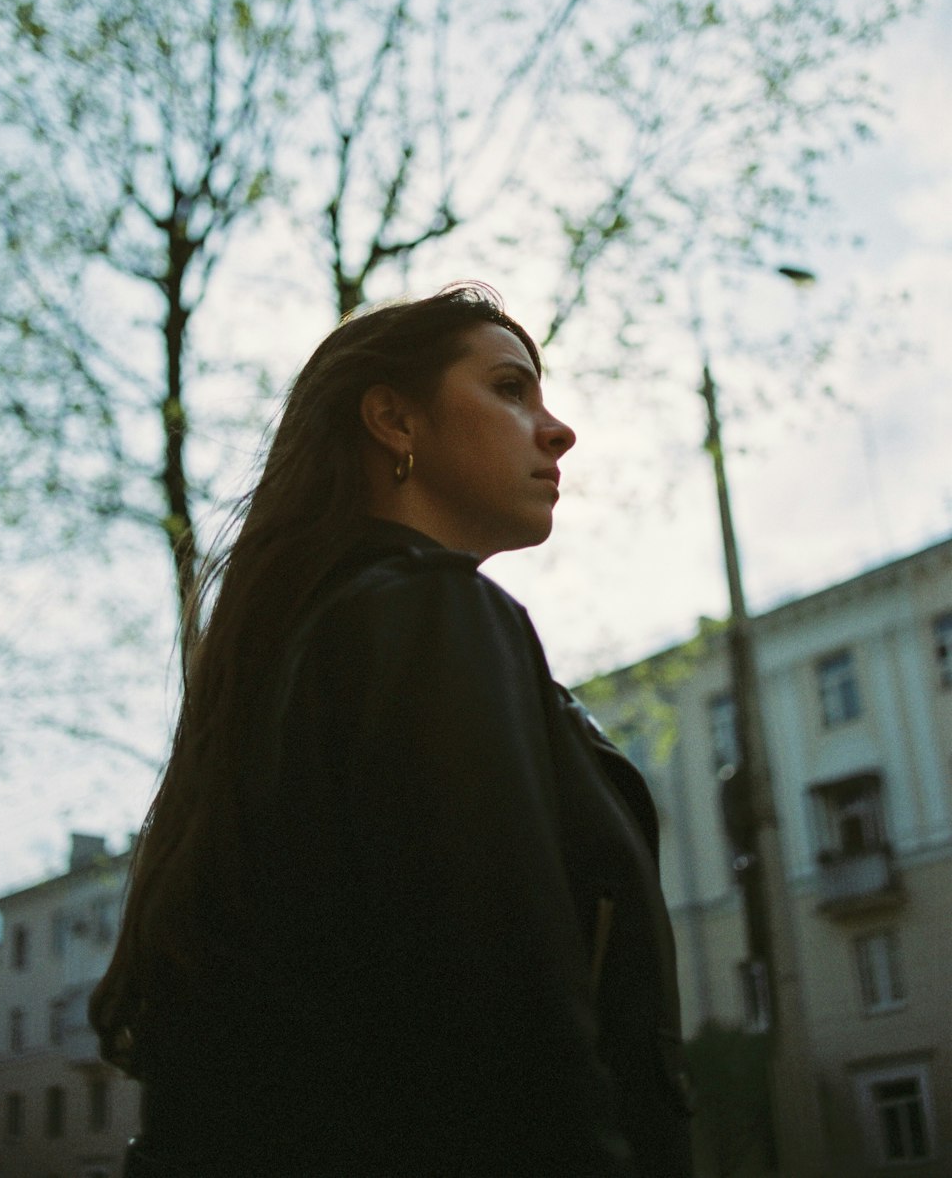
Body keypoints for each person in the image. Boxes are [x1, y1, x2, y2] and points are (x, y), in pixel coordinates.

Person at [91, 283, 694, 1178]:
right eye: (509, 387)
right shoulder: (429, 611)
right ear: (394, 420)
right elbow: (510, 1032)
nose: (557, 427)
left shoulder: (280, 665)